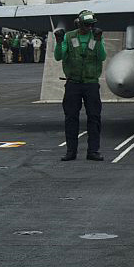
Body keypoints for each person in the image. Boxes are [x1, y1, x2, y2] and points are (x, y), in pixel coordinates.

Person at [54, 10, 106, 161]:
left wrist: (98, 40)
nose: (89, 28)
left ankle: (93, 151)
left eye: (91, 25)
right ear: (79, 23)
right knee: (71, 117)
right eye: (86, 25)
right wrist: (59, 42)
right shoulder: (69, 37)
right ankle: (71, 151)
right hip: (73, 83)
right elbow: (58, 56)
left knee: (94, 117)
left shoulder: (95, 36)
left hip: (91, 83)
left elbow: (102, 56)